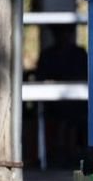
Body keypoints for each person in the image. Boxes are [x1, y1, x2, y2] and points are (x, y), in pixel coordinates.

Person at [35, 24, 89, 168]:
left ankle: (69, 151)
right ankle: (62, 151)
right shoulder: (48, 55)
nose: (64, 37)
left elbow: (86, 76)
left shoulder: (79, 53)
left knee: (73, 112)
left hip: (78, 100)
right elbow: (40, 77)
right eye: (61, 33)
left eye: (67, 33)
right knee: (65, 113)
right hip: (53, 102)